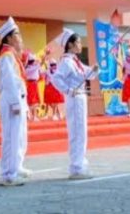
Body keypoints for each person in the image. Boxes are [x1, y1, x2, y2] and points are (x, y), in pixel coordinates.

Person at [51, 29, 98, 180]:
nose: (80, 45)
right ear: (70, 44)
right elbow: (56, 78)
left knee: (81, 133)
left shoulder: (75, 61)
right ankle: (76, 167)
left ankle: (80, 164)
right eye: (78, 42)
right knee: (77, 133)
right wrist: (68, 90)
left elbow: (86, 74)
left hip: (80, 97)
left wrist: (94, 70)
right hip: (75, 98)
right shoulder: (66, 62)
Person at [0, 16, 29, 186]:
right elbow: (9, 81)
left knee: (19, 135)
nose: (20, 38)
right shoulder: (6, 55)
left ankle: (16, 166)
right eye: (17, 34)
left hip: (17, 98)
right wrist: (16, 103)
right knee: (10, 136)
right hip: (11, 99)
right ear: (8, 38)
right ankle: (8, 173)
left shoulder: (12, 55)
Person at [24, 51, 42, 121]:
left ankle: (30, 115)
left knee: (31, 100)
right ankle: (33, 116)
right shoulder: (32, 68)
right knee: (33, 101)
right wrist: (45, 56)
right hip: (33, 84)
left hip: (30, 84)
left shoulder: (26, 68)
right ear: (32, 61)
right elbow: (40, 63)